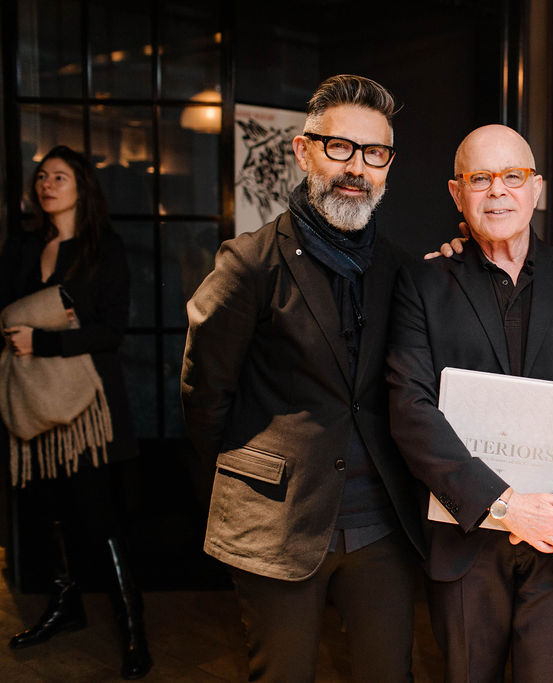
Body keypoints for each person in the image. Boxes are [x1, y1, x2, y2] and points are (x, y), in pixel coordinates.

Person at [180, 74, 425, 682]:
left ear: (387, 166)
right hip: (277, 523)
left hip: (381, 528)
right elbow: (205, 392)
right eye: (340, 147)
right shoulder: (249, 263)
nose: (357, 167)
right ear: (304, 150)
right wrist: (246, 479)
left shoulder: (400, 269)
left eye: (374, 153)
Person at [386, 124, 553, 682]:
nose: (498, 192)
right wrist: (501, 502)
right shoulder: (421, 283)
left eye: (513, 177)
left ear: (536, 188)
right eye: (481, 179)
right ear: (455, 192)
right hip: (464, 534)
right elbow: (411, 407)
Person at [0, 145, 151, 679]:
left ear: (81, 188)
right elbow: (5, 313)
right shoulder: (23, 246)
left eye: (59, 176)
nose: (47, 184)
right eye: (41, 176)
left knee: (97, 516)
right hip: (33, 401)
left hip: (90, 407)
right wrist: (42, 325)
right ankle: (66, 608)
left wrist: (43, 340)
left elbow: (110, 331)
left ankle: (133, 630)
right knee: (49, 513)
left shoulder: (102, 248)